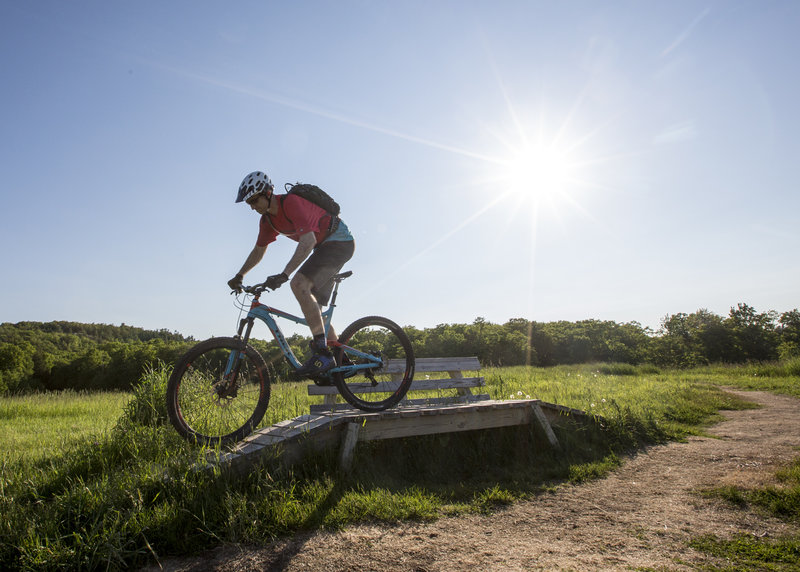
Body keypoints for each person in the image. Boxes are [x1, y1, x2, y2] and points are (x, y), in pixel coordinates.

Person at [227, 171, 355, 378]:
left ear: (268, 193)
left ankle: (322, 355)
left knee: (298, 284)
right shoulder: (267, 221)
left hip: (339, 242)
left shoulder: (291, 203)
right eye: (249, 203)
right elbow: (259, 250)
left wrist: (285, 274)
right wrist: (240, 275)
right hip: (323, 247)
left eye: (254, 200)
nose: (252, 206)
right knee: (317, 313)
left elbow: (308, 242)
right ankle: (342, 362)